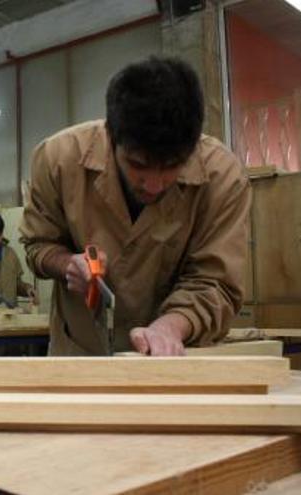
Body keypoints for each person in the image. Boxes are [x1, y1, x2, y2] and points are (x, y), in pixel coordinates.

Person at [20, 56, 250, 357]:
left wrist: (169, 328)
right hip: (79, 351)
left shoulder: (223, 177)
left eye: (172, 166)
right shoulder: (57, 159)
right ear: (111, 137)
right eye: (138, 164)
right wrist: (67, 265)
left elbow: (216, 282)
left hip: (172, 356)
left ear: (193, 146)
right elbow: (38, 244)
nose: (154, 185)